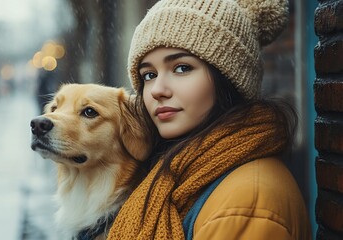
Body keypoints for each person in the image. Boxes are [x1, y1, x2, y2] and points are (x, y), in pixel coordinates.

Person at [107, 0, 312, 239]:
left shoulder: (245, 205)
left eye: (181, 68)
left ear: (229, 78)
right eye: (149, 75)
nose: (156, 90)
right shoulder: (182, 177)